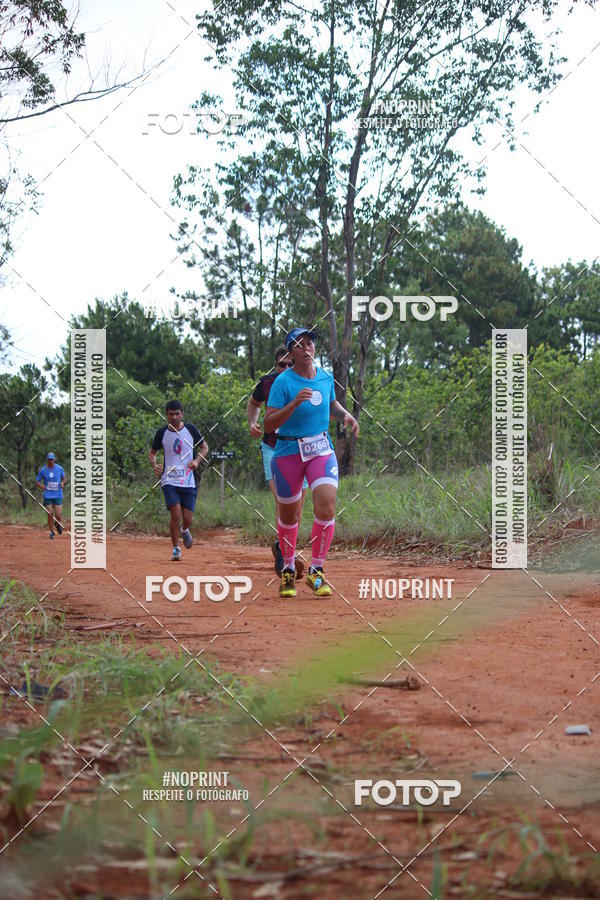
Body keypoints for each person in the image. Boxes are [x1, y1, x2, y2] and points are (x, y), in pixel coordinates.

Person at [264, 328, 359, 598]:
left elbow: (331, 404)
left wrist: (346, 416)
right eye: (299, 345)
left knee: (327, 504)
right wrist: (294, 403)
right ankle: (288, 570)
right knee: (289, 516)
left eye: (310, 343)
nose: (306, 348)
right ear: (291, 353)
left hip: (320, 449)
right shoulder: (283, 382)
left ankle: (316, 571)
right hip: (287, 452)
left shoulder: (326, 377)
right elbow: (269, 424)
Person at [246, 345, 307, 578]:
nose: (287, 368)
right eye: (282, 364)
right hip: (273, 448)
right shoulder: (267, 383)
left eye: (291, 364)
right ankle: (284, 560)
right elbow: (253, 404)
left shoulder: (307, 381)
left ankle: (281, 546)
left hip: (301, 449)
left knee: (297, 509)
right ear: (275, 366)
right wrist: (253, 423)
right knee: (283, 500)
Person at [149, 400, 208, 561]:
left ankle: (184, 529)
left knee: (188, 518)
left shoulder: (190, 429)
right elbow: (152, 453)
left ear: (182, 413)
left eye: (177, 413)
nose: (174, 417)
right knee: (175, 513)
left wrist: (196, 461)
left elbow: (204, 447)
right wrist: (155, 465)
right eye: (170, 414)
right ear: (166, 414)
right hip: (169, 480)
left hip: (188, 480)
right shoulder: (161, 433)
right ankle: (176, 549)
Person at [35, 452, 66, 539]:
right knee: (50, 513)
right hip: (48, 495)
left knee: (58, 515)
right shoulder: (43, 470)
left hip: (58, 494)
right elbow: (37, 481)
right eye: (49, 460)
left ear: (54, 459)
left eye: (52, 459)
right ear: (47, 460)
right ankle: (52, 532)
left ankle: (56, 523)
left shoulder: (60, 468)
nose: (51, 461)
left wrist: (62, 483)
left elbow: (64, 478)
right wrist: (42, 486)